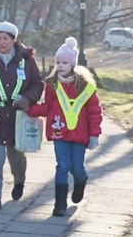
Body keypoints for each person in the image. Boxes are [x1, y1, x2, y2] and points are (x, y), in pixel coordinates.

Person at [0, 21, 44, 212]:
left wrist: (28, 98)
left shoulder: (26, 60)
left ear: (13, 40)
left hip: (17, 117)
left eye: (6, 38)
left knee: (17, 157)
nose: (2, 42)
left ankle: (19, 181)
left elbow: (38, 84)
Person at [26, 37, 102, 216]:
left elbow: (94, 112)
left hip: (80, 134)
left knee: (77, 167)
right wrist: (30, 109)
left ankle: (80, 182)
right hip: (59, 132)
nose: (60, 65)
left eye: (64, 62)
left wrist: (94, 135)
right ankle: (59, 205)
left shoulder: (85, 86)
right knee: (62, 166)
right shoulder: (52, 84)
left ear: (73, 64)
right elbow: (48, 106)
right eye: (58, 62)